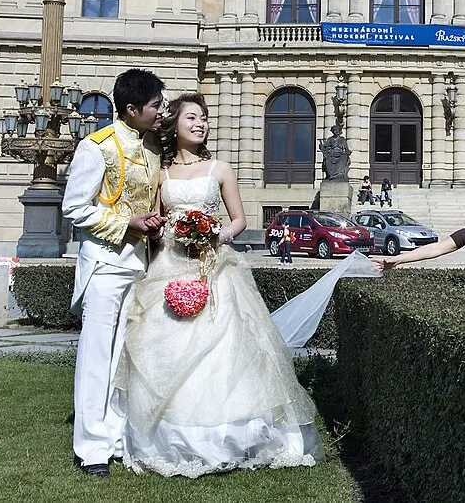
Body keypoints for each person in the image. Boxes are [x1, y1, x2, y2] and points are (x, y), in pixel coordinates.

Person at [114, 93, 321, 477]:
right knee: (165, 345)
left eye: (204, 118)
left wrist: (215, 236)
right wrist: (166, 231)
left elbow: (239, 219)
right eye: (192, 117)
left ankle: (232, 435)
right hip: (168, 267)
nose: (200, 124)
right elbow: (157, 219)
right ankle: (164, 435)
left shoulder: (220, 169)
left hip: (215, 266)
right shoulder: (161, 173)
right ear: (174, 124)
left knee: (226, 348)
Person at [61, 69, 166, 476]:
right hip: (105, 265)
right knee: (96, 357)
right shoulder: (96, 146)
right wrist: (128, 225)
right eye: (155, 105)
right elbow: (75, 207)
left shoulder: (151, 149)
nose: (161, 112)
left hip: (138, 266)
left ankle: (116, 436)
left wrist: (152, 224)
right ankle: (91, 449)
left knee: (123, 356)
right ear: (132, 109)